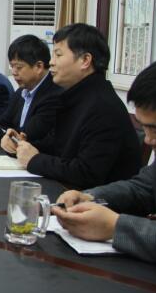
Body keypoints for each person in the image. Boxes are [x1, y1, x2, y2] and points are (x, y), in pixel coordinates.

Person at [52, 53, 156, 273]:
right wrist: (90, 197)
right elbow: (143, 188)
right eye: (145, 128)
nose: (149, 140)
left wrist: (116, 227)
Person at [12, 23, 141, 188]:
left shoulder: (102, 107)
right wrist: (21, 146)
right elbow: (57, 147)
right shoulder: (75, 96)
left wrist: (35, 160)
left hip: (93, 199)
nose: (51, 62)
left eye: (58, 55)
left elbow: (86, 173)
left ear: (85, 60)